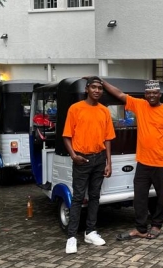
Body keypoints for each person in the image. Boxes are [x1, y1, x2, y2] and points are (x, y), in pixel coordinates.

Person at [101, 79, 163, 241]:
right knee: (139, 197)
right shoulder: (140, 105)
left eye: (155, 93)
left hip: (162, 163)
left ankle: (157, 225)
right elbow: (119, 94)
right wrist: (101, 82)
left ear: (159, 94)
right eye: (149, 93)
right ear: (146, 95)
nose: (152, 96)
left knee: (162, 197)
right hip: (143, 162)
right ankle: (140, 228)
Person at [62, 76, 115, 254]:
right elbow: (66, 136)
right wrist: (73, 156)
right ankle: (71, 237)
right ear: (87, 89)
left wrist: (109, 162)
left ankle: (90, 231)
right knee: (78, 198)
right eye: (93, 87)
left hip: (99, 159)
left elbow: (108, 139)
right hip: (81, 159)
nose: (97, 91)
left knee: (94, 197)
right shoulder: (75, 109)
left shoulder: (104, 111)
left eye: (99, 88)